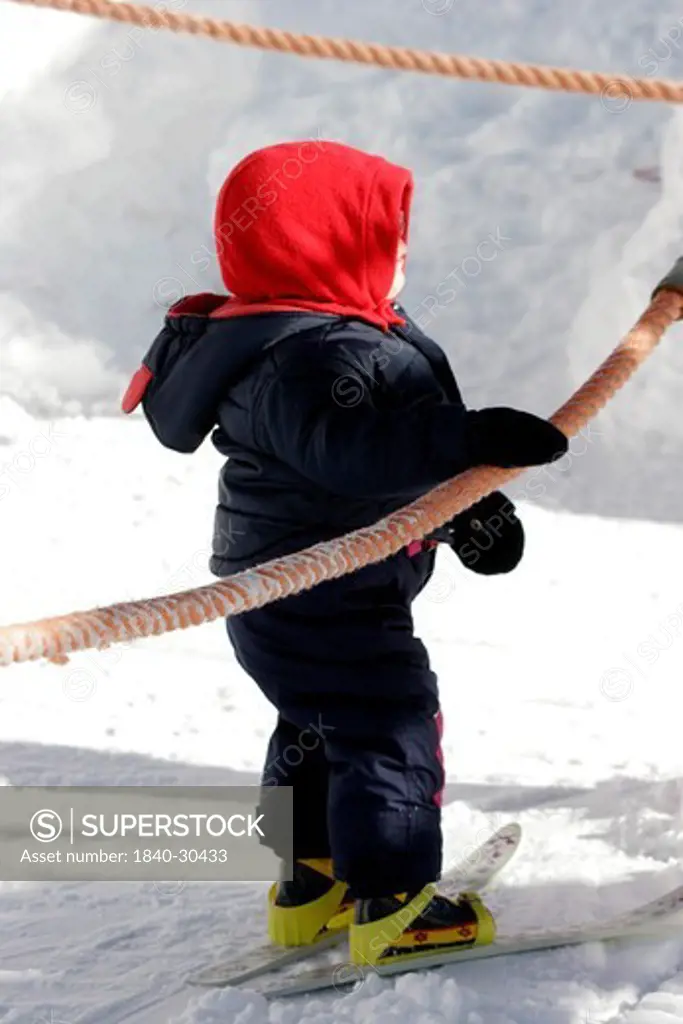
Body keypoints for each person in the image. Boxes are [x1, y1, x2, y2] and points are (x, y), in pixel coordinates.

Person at [123, 140, 568, 966]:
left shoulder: (283, 338)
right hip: (327, 590)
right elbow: (360, 453)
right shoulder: (319, 354)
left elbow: (358, 475)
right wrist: (469, 439)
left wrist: (466, 510)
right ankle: (393, 904)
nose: (403, 255)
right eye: (386, 238)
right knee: (386, 723)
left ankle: (312, 884)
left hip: (290, 587)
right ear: (325, 249)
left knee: (317, 725)